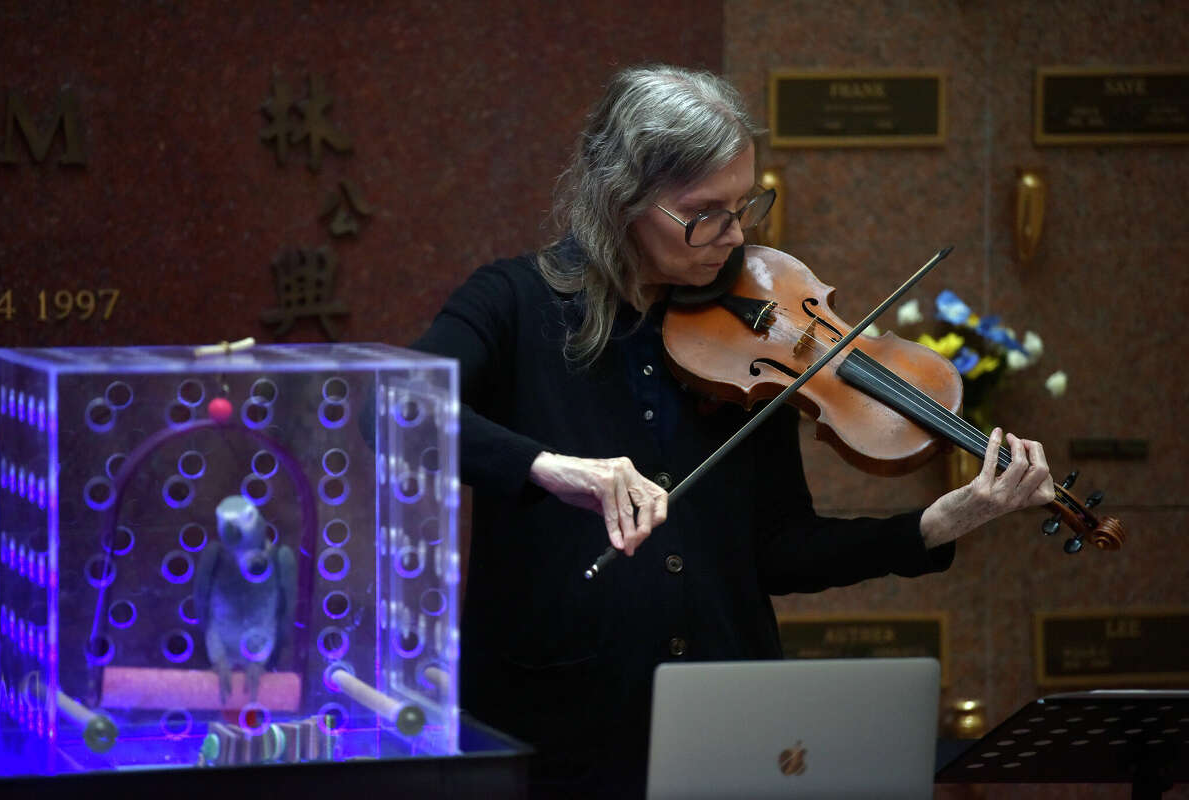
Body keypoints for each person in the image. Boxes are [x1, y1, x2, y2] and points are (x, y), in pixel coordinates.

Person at [412, 64, 1055, 798]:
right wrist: (549, 467)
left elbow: (778, 550)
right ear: (620, 198)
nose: (735, 235)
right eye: (704, 212)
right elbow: (396, 412)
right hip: (562, 736)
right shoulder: (510, 305)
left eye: (746, 206)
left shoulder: (753, 332)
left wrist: (938, 524)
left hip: (730, 732)